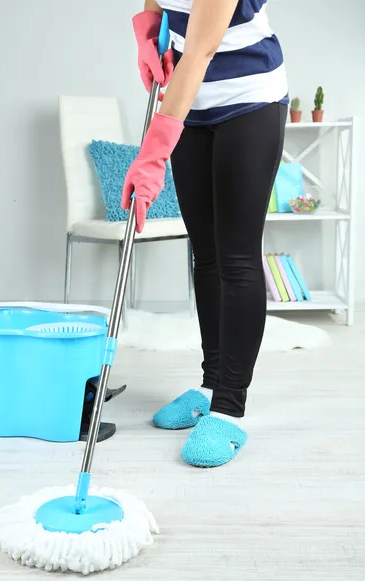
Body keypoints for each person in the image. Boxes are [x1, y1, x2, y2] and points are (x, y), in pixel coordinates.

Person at [122, 0, 288, 468]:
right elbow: (161, 5)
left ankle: (230, 408)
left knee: (235, 257)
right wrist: (148, 29)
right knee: (206, 255)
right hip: (190, 101)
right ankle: (211, 382)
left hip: (249, 99)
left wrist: (152, 155)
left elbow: (199, 51)